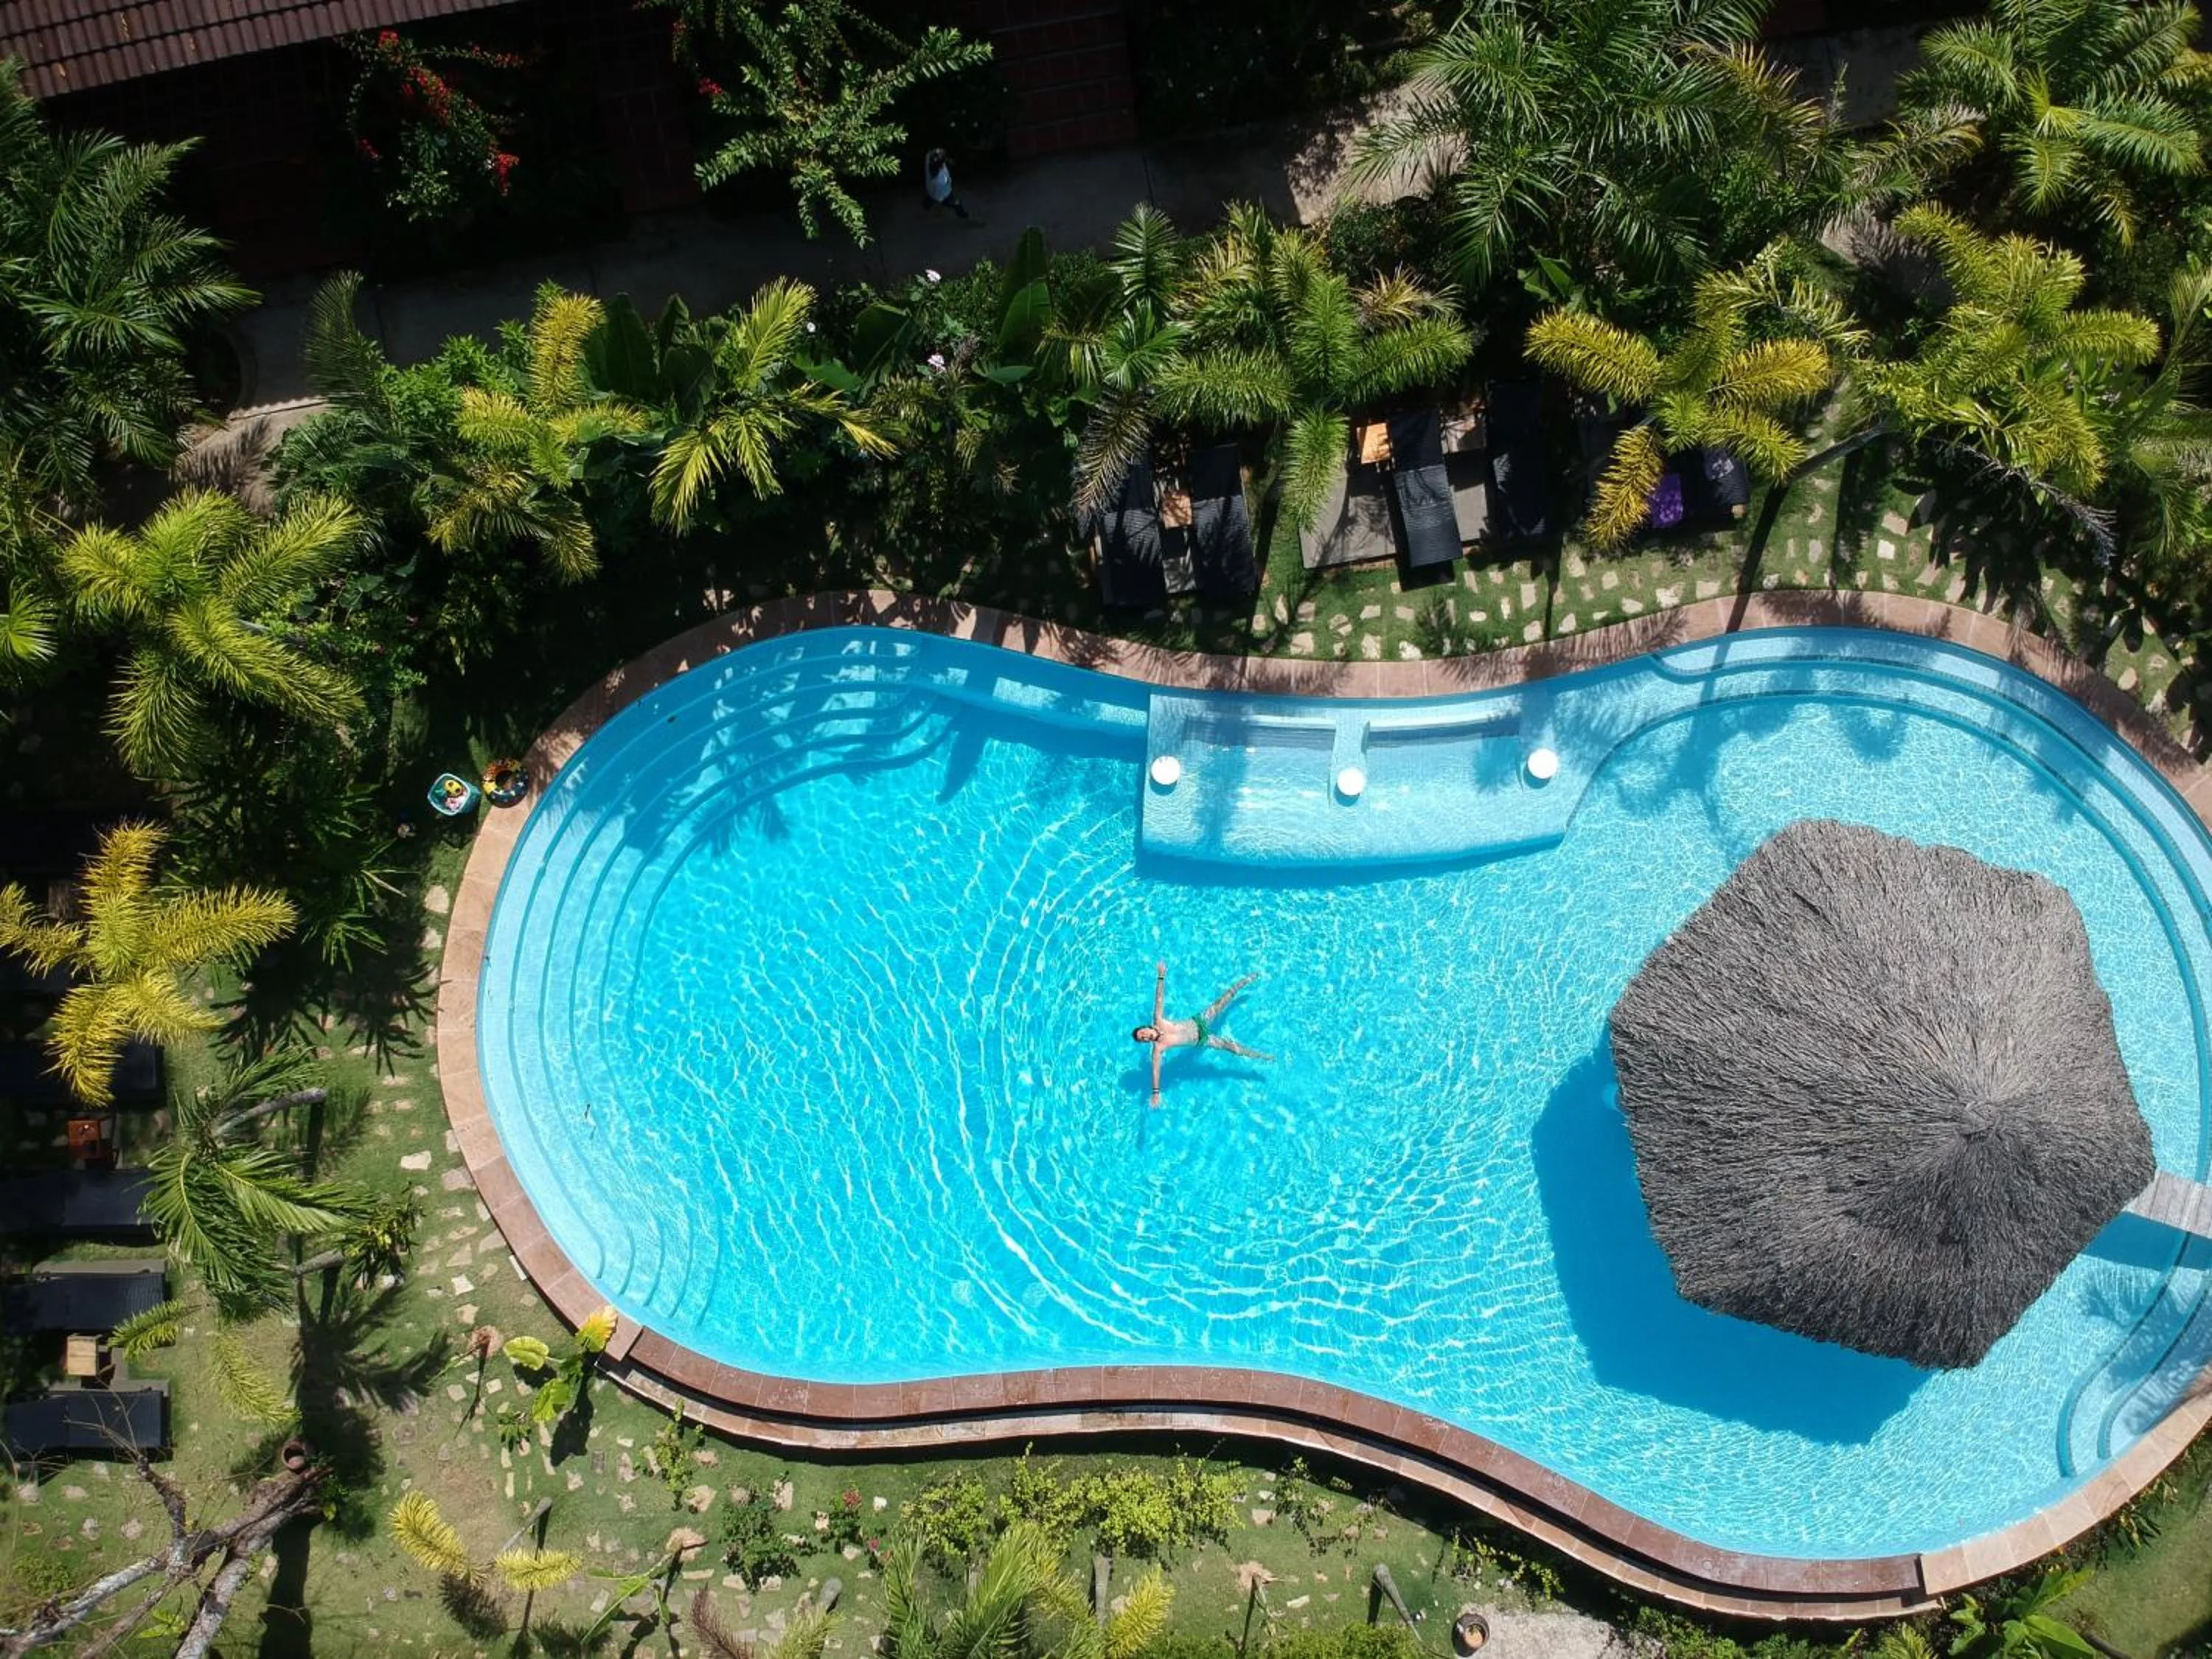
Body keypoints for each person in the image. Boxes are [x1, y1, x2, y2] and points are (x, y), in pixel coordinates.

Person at [1133, 961, 1271, 1107]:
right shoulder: (1158, 1048)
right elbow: (1156, 1070)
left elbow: (1159, 999)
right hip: (1203, 1039)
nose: (1144, 1036)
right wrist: (1156, 1093)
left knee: (1222, 1002)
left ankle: (1244, 982)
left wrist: (1161, 976)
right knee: (1232, 1049)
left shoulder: (1158, 1020)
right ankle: (1261, 1056)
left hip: (1200, 1021)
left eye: (1142, 1033)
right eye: (1142, 1039)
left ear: (1146, 1027)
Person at [922, 147, 969, 220]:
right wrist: (940, 204)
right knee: (956, 203)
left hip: (931, 189)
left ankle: (925, 206)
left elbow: (931, 155)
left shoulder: (929, 160)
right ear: (941, 164)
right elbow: (940, 195)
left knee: (931, 198)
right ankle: (963, 215)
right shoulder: (941, 180)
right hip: (943, 195)